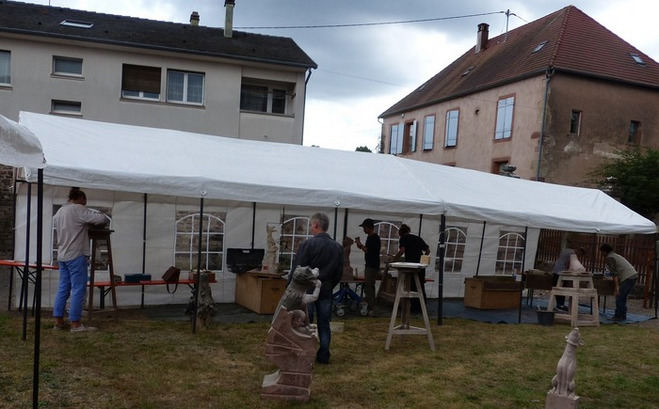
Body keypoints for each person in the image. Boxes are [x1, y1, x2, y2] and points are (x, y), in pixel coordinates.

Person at [289, 212, 343, 364]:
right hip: (326, 289)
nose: (311, 228)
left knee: (305, 324)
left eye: (311, 225)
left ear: (316, 225)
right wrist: (329, 285)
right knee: (324, 324)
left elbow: (297, 270)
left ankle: (305, 354)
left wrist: (290, 288)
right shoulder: (337, 247)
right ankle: (324, 355)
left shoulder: (308, 245)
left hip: (308, 290)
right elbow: (339, 272)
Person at [53, 187, 108, 332]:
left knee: (63, 288)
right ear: (81, 199)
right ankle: (75, 324)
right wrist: (95, 212)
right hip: (76, 254)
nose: (85, 204)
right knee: (78, 289)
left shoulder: (60, 211)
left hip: (62, 254)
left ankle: (58, 321)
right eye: (85, 202)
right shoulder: (78, 209)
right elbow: (100, 219)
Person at [390, 224, 430, 313]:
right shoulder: (417, 238)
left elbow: (402, 250)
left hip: (411, 266)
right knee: (420, 286)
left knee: (412, 286)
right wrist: (422, 259)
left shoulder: (403, 239)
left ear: (400, 233)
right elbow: (428, 250)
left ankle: (415, 307)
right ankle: (422, 307)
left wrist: (394, 259)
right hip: (420, 266)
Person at [599, 243, 638, 322]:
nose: (601, 254)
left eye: (602, 252)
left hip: (628, 277)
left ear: (605, 251)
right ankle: (622, 315)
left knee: (619, 296)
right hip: (633, 275)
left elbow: (614, 273)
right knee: (622, 297)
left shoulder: (610, 258)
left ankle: (618, 316)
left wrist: (616, 287)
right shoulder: (615, 255)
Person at [354, 218, 380, 317]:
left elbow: (368, 250)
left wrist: (360, 244)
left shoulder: (374, 238)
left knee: (368, 286)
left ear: (370, 228)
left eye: (365, 228)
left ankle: (372, 308)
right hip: (370, 265)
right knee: (370, 286)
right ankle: (371, 305)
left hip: (372, 266)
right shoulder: (371, 237)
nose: (364, 230)